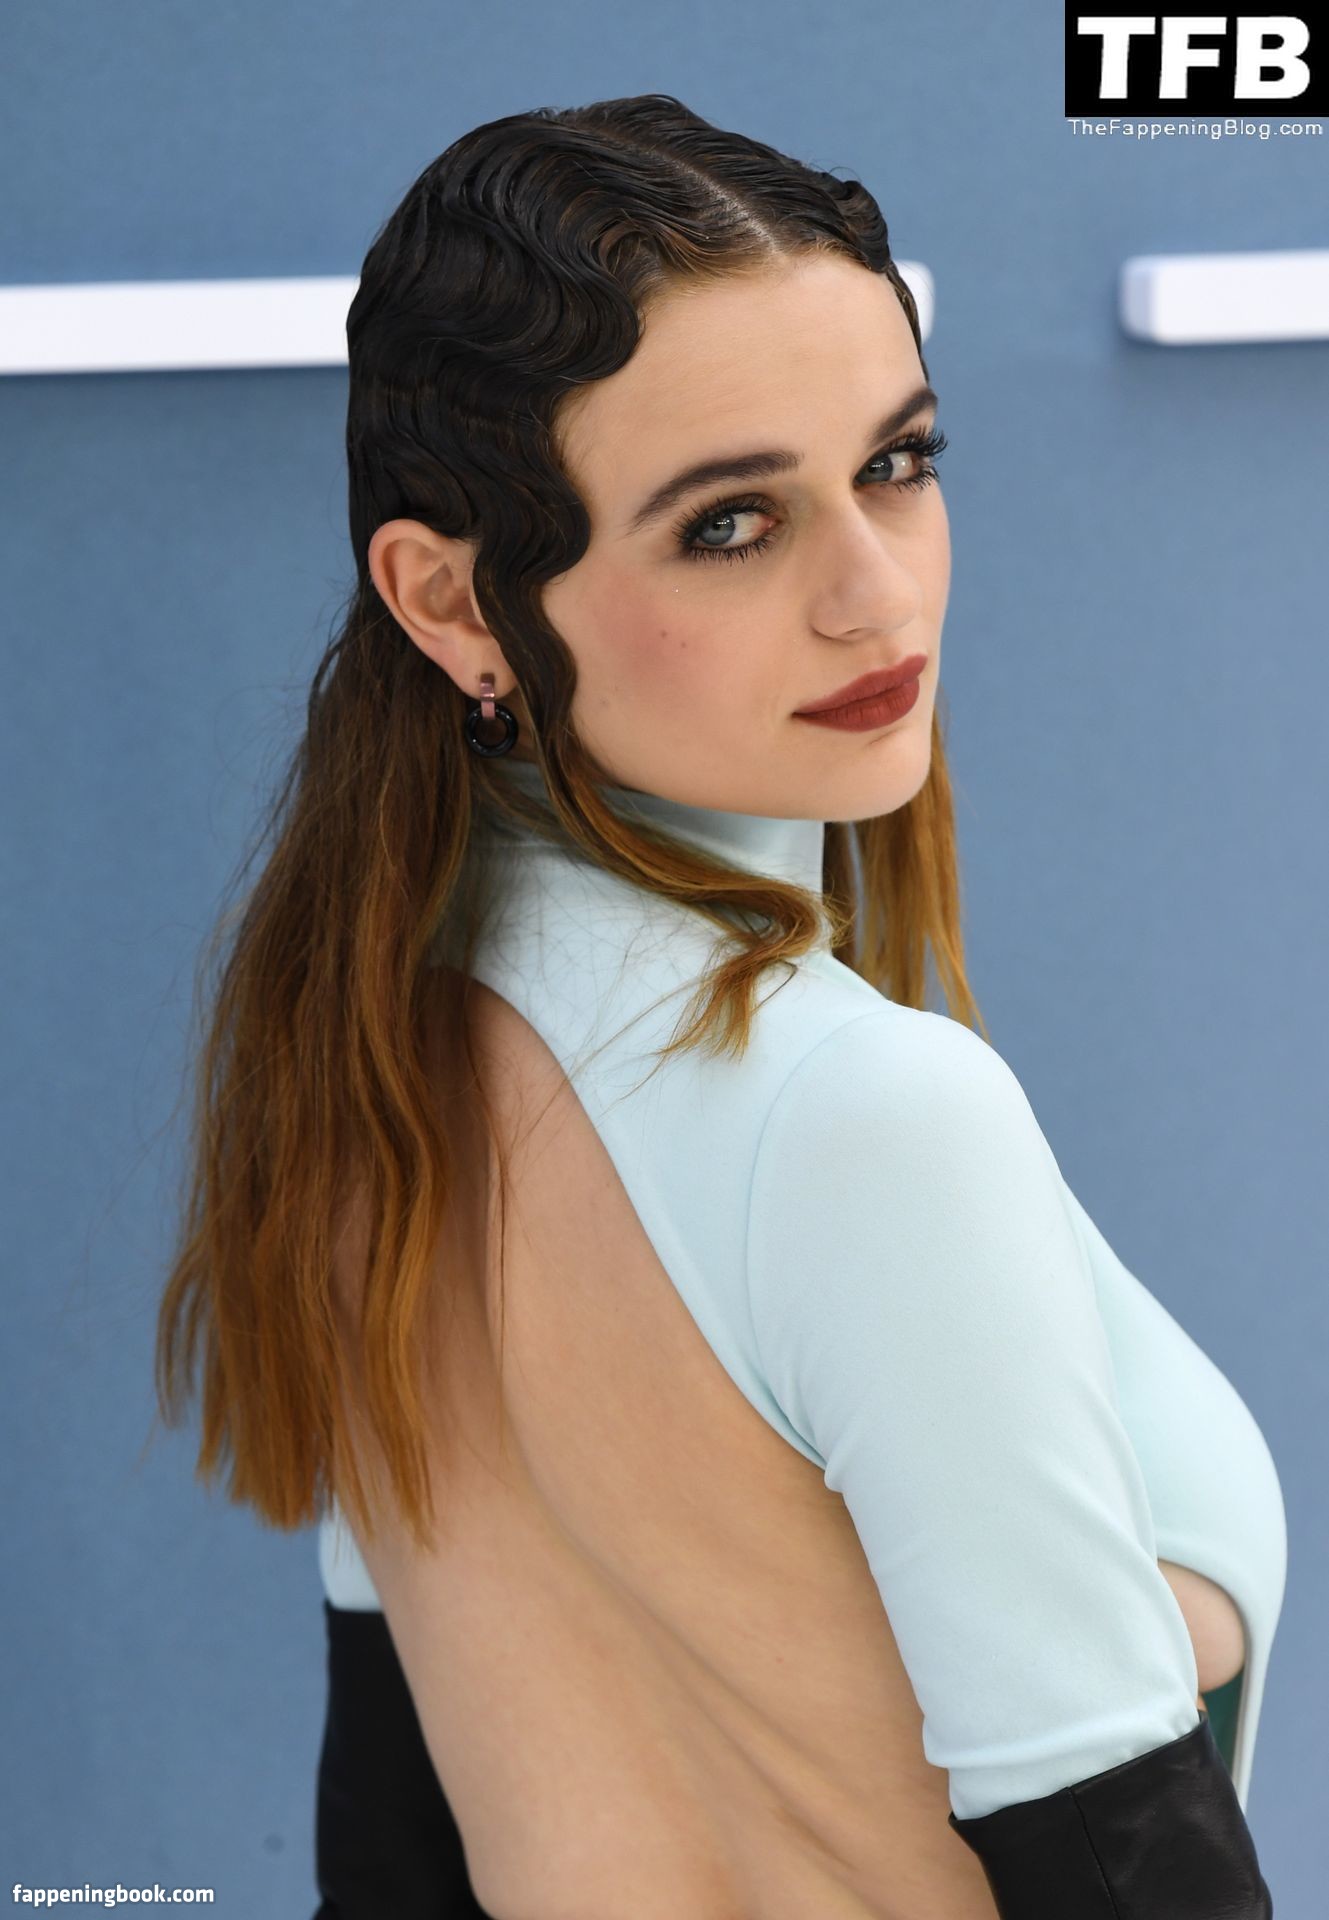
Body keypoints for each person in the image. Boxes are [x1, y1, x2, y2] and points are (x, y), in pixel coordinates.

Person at [154, 93, 1287, 1919]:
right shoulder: (864, 1114)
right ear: (450, 601)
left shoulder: (368, 1061)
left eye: (897, 463)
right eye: (732, 522)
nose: (873, 595)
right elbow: (1122, 1865)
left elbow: (391, 1842)